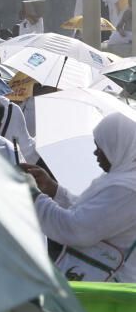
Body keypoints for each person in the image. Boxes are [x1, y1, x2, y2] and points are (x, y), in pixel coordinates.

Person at [25, 113, 136, 282]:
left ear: (118, 147)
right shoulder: (119, 180)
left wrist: (35, 196)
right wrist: (53, 190)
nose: (95, 153)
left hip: (108, 292)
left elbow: (77, 229)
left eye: (100, 147)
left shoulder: (126, 189)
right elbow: (88, 214)